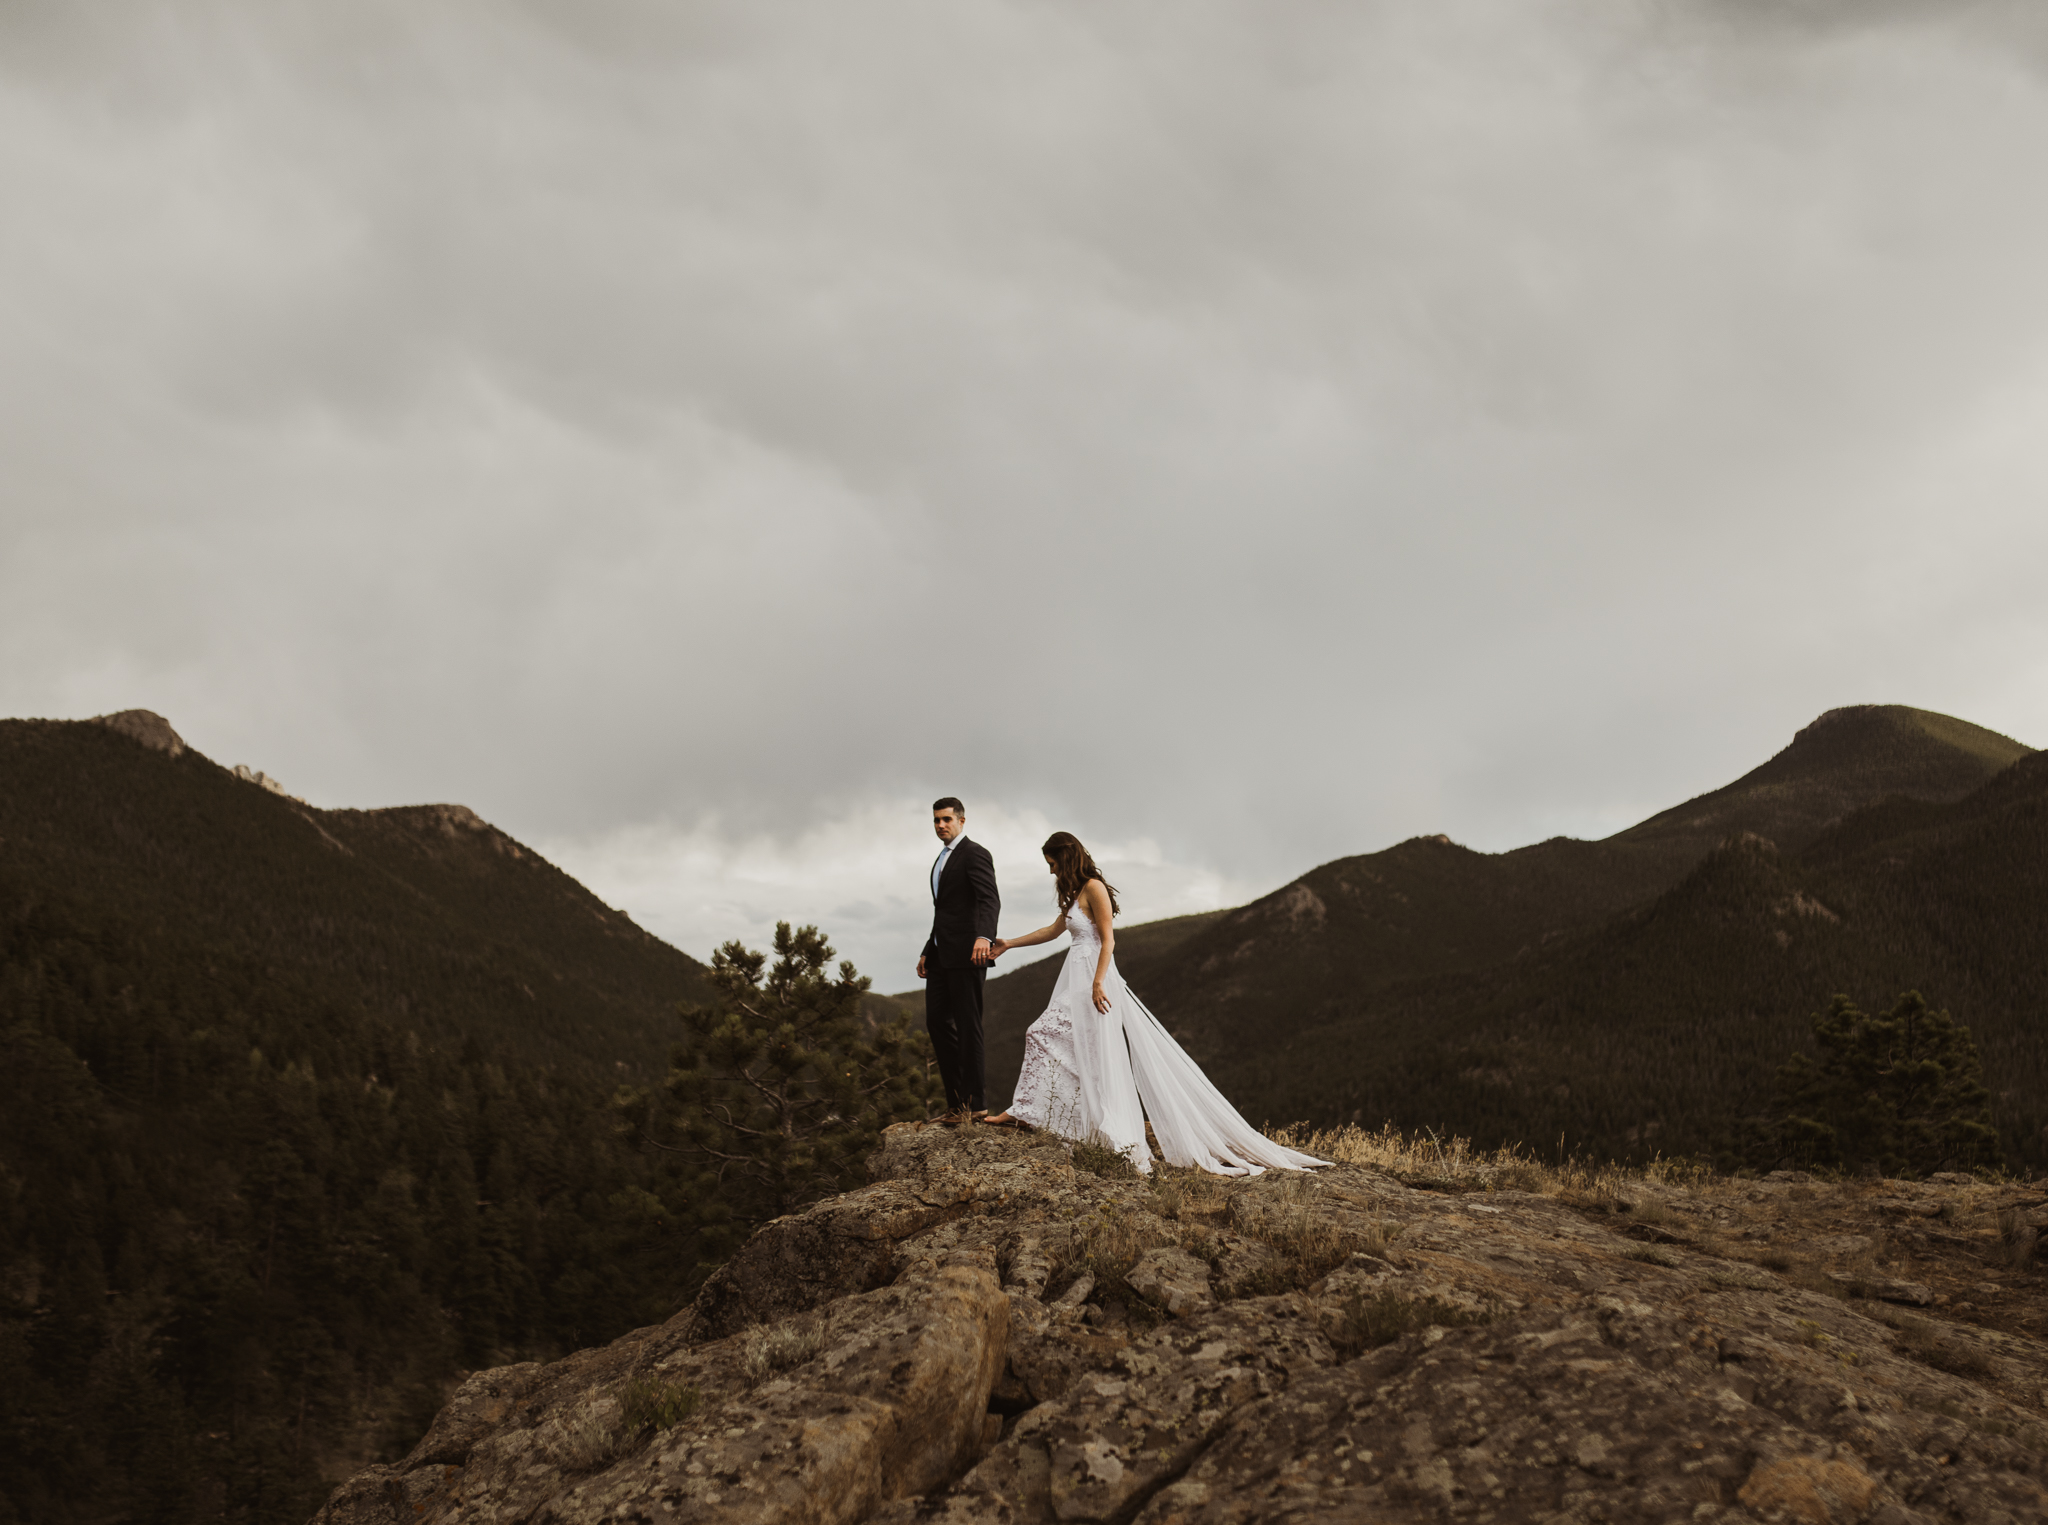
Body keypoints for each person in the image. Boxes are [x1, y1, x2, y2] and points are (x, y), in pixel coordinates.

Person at [983, 832, 1325, 1176]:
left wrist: (1099, 983)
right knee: (1049, 1037)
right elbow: (1054, 930)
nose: (1052, 871)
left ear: (1066, 857)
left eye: (1053, 864)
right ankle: (1032, 1112)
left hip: (1092, 978)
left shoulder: (1094, 887)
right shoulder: (1073, 892)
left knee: (1085, 1048)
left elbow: (1108, 940)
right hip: (1074, 978)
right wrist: (1009, 944)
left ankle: (1042, 1116)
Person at [917, 797, 1000, 1125]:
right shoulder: (940, 859)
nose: (941, 825)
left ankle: (976, 1104)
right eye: (936, 820)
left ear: (961, 821)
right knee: (936, 1022)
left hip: (969, 953)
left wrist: (985, 936)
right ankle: (957, 1103)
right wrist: (928, 948)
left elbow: (989, 899)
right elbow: (945, 911)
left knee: (969, 1027)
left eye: (947, 819)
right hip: (941, 955)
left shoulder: (974, 853)